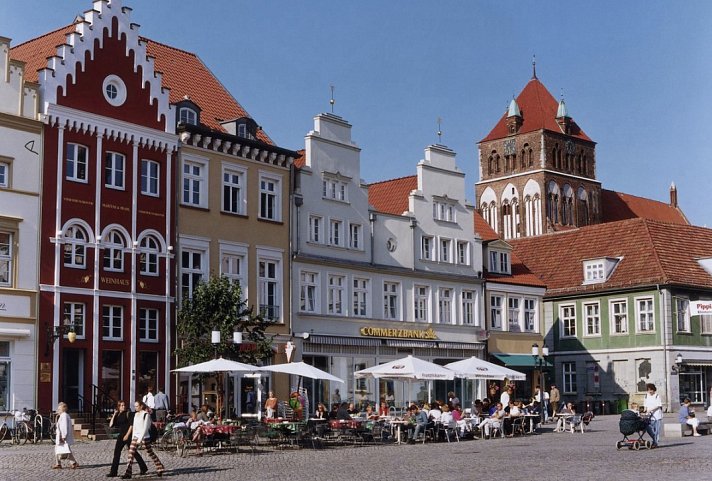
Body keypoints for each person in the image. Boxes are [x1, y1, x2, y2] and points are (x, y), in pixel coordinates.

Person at [122, 400, 164, 479]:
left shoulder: (146, 415)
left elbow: (145, 428)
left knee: (150, 453)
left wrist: (140, 439)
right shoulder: (135, 415)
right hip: (136, 437)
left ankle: (159, 466)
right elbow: (134, 427)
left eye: (137, 406)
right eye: (135, 406)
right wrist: (133, 437)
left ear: (141, 406)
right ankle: (128, 473)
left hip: (145, 437)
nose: (135, 408)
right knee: (130, 454)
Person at [107, 400, 148, 478]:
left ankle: (143, 468)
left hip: (128, 435)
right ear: (118, 407)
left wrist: (127, 435)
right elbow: (111, 425)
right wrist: (114, 414)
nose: (123, 406)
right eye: (121, 405)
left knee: (134, 453)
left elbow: (131, 425)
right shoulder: (118, 414)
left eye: (124, 405)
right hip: (121, 436)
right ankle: (113, 472)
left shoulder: (128, 413)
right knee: (116, 453)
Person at [53, 402, 79, 469]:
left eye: (59, 408)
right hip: (62, 436)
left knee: (59, 449)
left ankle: (58, 464)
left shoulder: (64, 416)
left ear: (63, 409)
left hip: (63, 436)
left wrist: (63, 436)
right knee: (66, 450)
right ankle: (73, 463)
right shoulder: (63, 415)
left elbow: (64, 426)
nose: (58, 410)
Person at [644, 383, 663, 448]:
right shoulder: (646, 396)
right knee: (649, 429)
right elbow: (645, 405)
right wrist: (645, 411)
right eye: (648, 390)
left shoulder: (657, 396)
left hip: (657, 415)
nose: (650, 391)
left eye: (651, 390)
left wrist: (651, 410)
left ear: (654, 390)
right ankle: (654, 440)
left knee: (656, 430)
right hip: (649, 416)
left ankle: (655, 443)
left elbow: (658, 405)